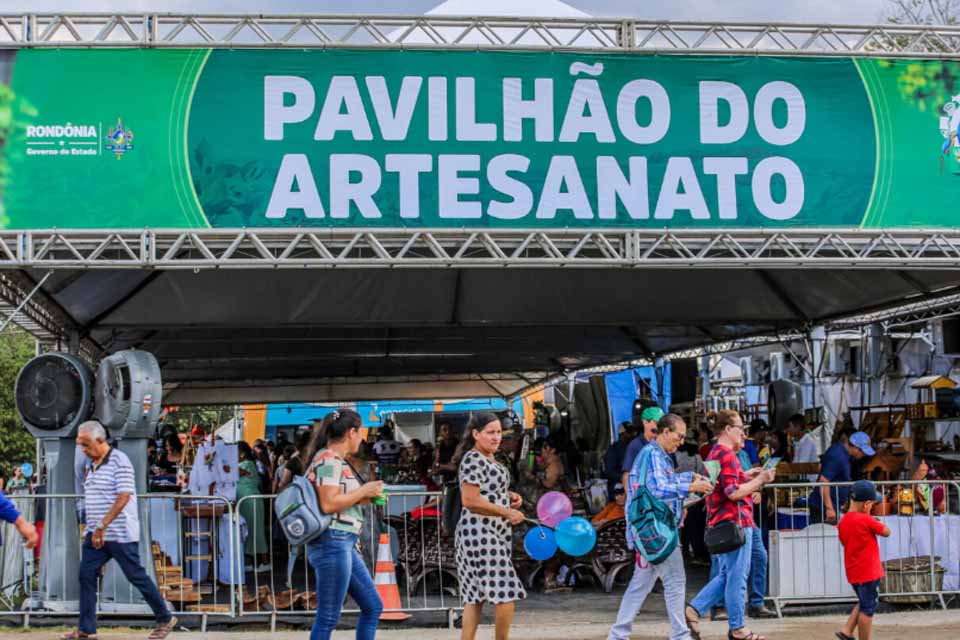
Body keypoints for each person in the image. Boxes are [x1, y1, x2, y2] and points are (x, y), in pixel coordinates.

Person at [63, 421, 175, 640]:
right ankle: (87, 629)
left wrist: (103, 525)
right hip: (96, 534)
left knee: (136, 575)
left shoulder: (119, 461)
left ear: (99, 440)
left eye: (86, 445)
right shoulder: (91, 463)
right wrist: (93, 527)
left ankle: (165, 617)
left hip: (119, 533)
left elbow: (123, 497)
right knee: (86, 575)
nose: (83, 450)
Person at [608, 414, 713, 640]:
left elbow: (663, 483)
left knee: (640, 585)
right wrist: (691, 485)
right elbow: (658, 489)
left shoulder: (656, 455)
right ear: (665, 432)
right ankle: (680, 635)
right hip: (659, 533)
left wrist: (687, 477)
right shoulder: (654, 455)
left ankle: (618, 634)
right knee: (675, 581)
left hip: (650, 533)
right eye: (679, 436)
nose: (681, 441)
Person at [685, 410, 776, 640]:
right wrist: (759, 480)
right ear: (727, 430)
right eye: (740, 429)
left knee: (728, 574)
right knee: (737, 576)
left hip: (726, 521)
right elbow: (733, 492)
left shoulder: (717, 452)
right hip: (736, 521)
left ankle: (694, 609)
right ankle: (738, 628)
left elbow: (724, 483)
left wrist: (745, 475)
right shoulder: (726, 454)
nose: (743, 434)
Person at [303, 409, 385, 640]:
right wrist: (363, 490)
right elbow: (329, 503)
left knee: (372, 606)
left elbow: (337, 499)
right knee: (329, 616)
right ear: (351, 433)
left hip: (341, 542)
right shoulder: (329, 460)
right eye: (360, 433)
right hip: (334, 542)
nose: (362, 438)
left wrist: (367, 496)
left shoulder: (332, 460)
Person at [456, 412, 526, 640]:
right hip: (479, 533)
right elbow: (470, 500)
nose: (496, 437)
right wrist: (506, 511)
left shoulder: (489, 458)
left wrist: (508, 496)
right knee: (505, 592)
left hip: (486, 532)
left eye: (498, 432)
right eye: (490, 432)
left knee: (474, 597)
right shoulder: (473, 459)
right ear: (476, 434)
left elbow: (486, 491)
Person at [836, 480, 891, 640]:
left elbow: (843, 541)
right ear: (867, 504)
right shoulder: (866, 519)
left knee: (864, 600)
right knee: (868, 609)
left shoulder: (843, 521)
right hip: (869, 572)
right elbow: (887, 532)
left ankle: (847, 630)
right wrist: (874, 520)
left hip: (854, 572)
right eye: (873, 504)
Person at [807, 431, 875, 525]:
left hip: (830, 504)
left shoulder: (843, 453)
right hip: (822, 507)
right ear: (855, 448)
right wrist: (829, 508)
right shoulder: (838, 456)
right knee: (825, 536)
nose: (864, 455)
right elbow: (823, 481)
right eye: (863, 452)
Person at [237, 441, 269, 573]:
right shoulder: (248, 464)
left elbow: (236, 471)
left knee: (255, 532)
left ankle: (265, 562)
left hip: (251, 502)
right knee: (249, 533)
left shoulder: (246, 464)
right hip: (248, 502)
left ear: (242, 453)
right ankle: (249, 561)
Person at [621, 407, 665, 491]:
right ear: (645, 422)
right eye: (656, 423)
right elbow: (626, 476)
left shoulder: (664, 444)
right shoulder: (635, 445)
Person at [603, 422, 636, 501]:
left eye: (633, 432)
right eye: (629, 432)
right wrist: (624, 478)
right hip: (618, 490)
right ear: (621, 434)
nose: (633, 435)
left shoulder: (634, 447)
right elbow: (609, 471)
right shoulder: (613, 450)